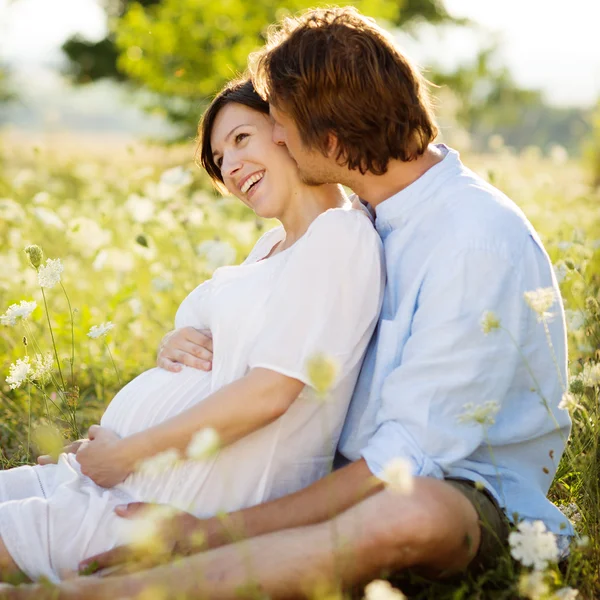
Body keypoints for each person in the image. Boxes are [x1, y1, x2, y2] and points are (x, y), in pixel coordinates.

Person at [1, 6, 572, 599]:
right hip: (334, 472)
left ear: (328, 132)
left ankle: (118, 591)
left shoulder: (471, 239)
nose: (273, 138)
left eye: (277, 122)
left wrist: (211, 529)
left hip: (457, 488)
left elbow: (407, 457)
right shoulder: (361, 218)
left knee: (414, 512)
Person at [0, 77, 384, 584]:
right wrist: (172, 343)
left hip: (164, 506)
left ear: (290, 128)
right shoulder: (272, 247)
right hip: (115, 480)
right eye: (221, 158)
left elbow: (269, 393)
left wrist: (126, 455)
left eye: (241, 139)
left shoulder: (339, 235)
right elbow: (221, 348)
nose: (230, 165)